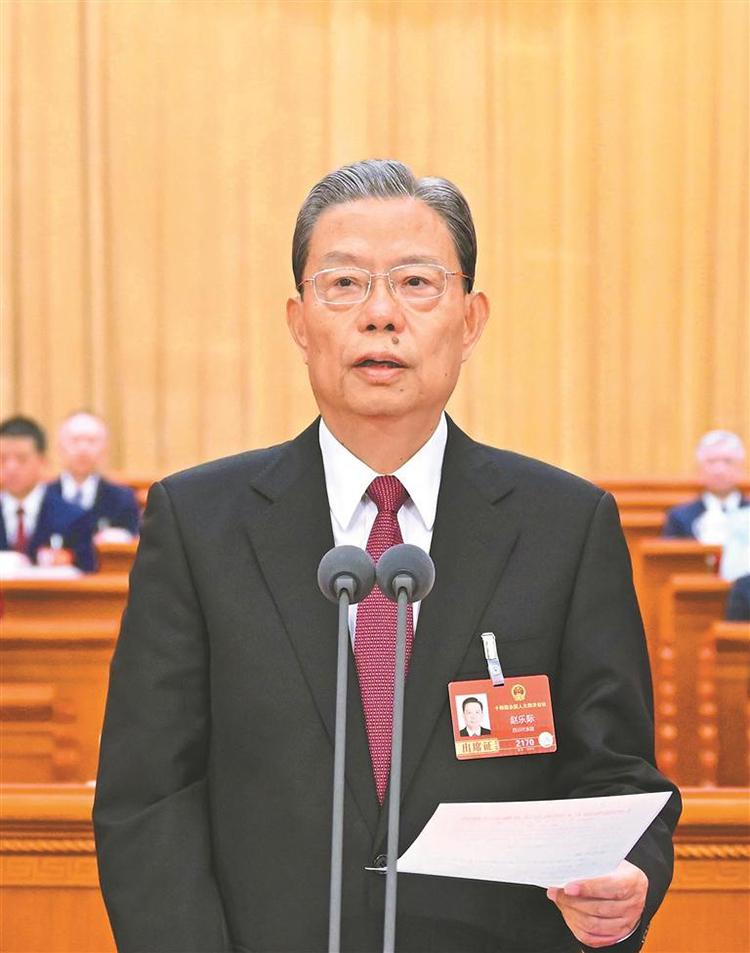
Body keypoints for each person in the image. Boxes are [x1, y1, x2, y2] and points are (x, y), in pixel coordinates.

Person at [94, 160, 680, 953]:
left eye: (415, 282)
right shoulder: (199, 524)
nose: (379, 315)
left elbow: (617, 777)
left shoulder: (565, 526)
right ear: (299, 321)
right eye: (343, 284)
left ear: (470, 320)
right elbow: (148, 795)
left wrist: (628, 878)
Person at [0, 415, 95, 572]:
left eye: (21, 459)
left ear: (42, 461)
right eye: (2, 459)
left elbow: (88, 575)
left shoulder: (73, 517)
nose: (11, 468)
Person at [47, 411, 140, 536]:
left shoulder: (122, 499)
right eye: (75, 440)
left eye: (91, 441)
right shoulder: (43, 496)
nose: (83, 449)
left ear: (105, 448)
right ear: (59, 447)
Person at [662, 431, 748, 542]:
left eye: (728, 461)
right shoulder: (679, 517)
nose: (719, 470)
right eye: (711, 462)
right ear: (699, 469)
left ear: (741, 468)